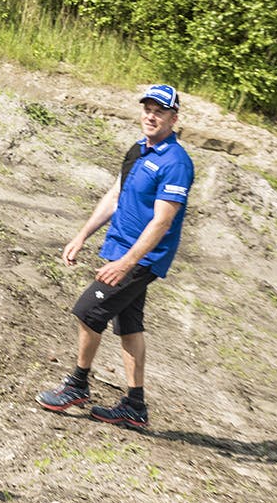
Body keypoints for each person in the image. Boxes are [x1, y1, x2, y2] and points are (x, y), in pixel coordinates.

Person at [35, 84, 195, 429]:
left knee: (88, 312)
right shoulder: (139, 150)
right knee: (129, 325)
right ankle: (134, 406)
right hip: (119, 250)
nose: (151, 116)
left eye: (160, 111)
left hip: (141, 259)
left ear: (174, 118)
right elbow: (116, 195)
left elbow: (163, 219)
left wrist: (127, 263)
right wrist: (82, 234)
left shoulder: (176, 162)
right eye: (148, 109)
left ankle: (77, 385)